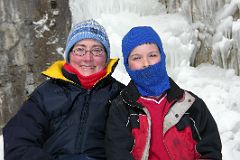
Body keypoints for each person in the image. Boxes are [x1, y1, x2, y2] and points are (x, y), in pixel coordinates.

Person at [3, 19, 125, 160]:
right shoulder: (45, 94)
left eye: (97, 50)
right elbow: (18, 141)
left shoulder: (120, 95)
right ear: (69, 55)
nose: (88, 58)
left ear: (106, 57)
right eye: (80, 49)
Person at [105, 26, 222, 160]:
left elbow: (210, 152)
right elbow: (117, 154)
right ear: (127, 65)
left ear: (162, 56)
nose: (146, 63)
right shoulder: (121, 108)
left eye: (152, 55)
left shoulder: (192, 104)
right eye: (137, 58)